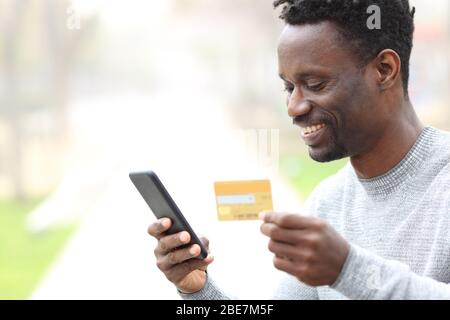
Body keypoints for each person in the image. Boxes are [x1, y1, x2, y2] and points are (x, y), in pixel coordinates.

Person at [148, 0, 450, 299]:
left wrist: (348, 270)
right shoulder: (327, 204)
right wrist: (197, 289)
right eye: (289, 87)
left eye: (316, 83)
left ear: (384, 69)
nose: (293, 107)